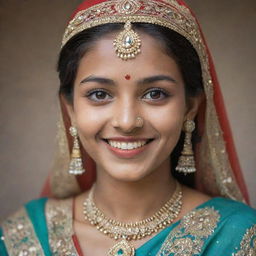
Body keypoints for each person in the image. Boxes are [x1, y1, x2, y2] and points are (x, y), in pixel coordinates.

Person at [0, 0, 255, 255]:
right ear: (70, 110)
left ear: (190, 107)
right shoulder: (21, 238)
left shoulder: (239, 236)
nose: (126, 121)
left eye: (155, 94)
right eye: (99, 94)